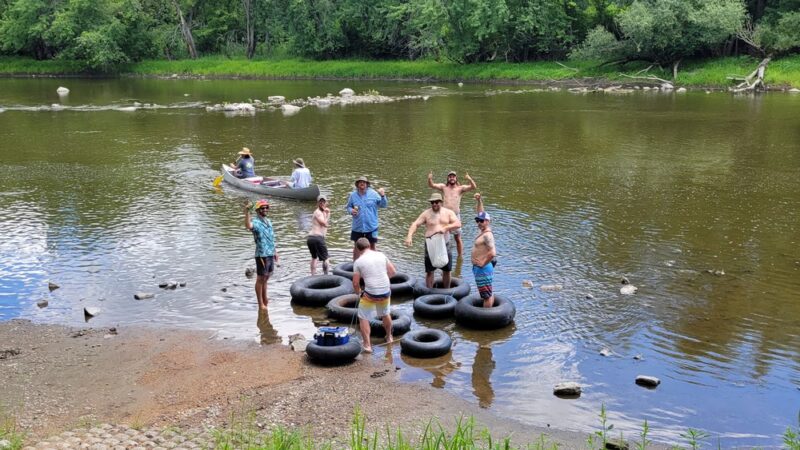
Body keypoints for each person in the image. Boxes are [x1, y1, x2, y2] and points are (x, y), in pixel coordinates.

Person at [404, 192, 462, 289]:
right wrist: (409, 236)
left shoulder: (448, 213)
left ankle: (447, 291)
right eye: (432, 202)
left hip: (445, 243)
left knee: (447, 270)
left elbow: (458, 223)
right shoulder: (426, 213)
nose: (434, 204)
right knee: (430, 271)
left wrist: (446, 227)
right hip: (430, 244)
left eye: (436, 202)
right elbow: (415, 224)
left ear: (441, 202)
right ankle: (429, 292)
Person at [352, 238, 396, 353]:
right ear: (369, 246)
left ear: (358, 249)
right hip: (385, 291)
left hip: (370, 294)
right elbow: (393, 272)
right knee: (385, 313)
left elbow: (355, 283)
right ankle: (389, 337)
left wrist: (359, 293)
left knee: (363, 317)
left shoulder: (358, 262)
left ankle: (367, 345)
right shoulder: (381, 255)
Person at [427, 171, 477, 258]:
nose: (452, 178)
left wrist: (469, 179)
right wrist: (429, 178)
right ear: (448, 178)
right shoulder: (444, 187)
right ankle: (442, 256)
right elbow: (432, 185)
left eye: (453, 176)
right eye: (450, 177)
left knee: (457, 238)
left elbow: (473, 187)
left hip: (455, 216)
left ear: (456, 178)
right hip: (444, 216)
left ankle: (460, 256)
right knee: (442, 236)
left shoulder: (460, 189)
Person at [244, 199, 279, 311]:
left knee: (266, 277)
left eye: (266, 207)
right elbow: (248, 226)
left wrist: (275, 251)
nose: (265, 209)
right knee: (260, 279)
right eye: (262, 208)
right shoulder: (256, 222)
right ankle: (260, 304)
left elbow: (271, 238)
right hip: (261, 255)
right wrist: (247, 212)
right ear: (258, 210)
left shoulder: (269, 222)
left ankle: (265, 298)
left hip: (270, 253)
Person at [345, 176, 387, 259]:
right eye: (360, 182)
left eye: (364, 182)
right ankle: (356, 265)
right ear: (357, 184)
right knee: (356, 247)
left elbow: (383, 205)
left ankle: (374, 264)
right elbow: (348, 207)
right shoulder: (353, 195)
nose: (362, 183)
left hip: (371, 226)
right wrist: (351, 210)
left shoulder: (374, 194)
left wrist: (383, 196)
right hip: (358, 227)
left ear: (367, 184)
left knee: (372, 246)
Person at [471, 193, 496, 308]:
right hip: (480, 268)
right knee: (486, 292)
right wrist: (479, 201)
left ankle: (487, 315)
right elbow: (481, 212)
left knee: (486, 296)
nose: (479, 223)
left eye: (481, 221)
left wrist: (482, 263)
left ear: (487, 221)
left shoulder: (487, 235)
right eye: (477, 221)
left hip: (483, 268)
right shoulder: (482, 230)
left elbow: (493, 253)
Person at [306, 194, 330, 275]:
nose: (322, 203)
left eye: (323, 202)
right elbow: (324, 224)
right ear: (317, 203)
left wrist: (326, 213)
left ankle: (313, 275)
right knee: (326, 258)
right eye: (320, 202)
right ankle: (326, 276)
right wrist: (328, 214)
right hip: (317, 238)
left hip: (311, 238)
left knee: (314, 257)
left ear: (326, 203)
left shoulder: (322, 212)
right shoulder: (318, 212)